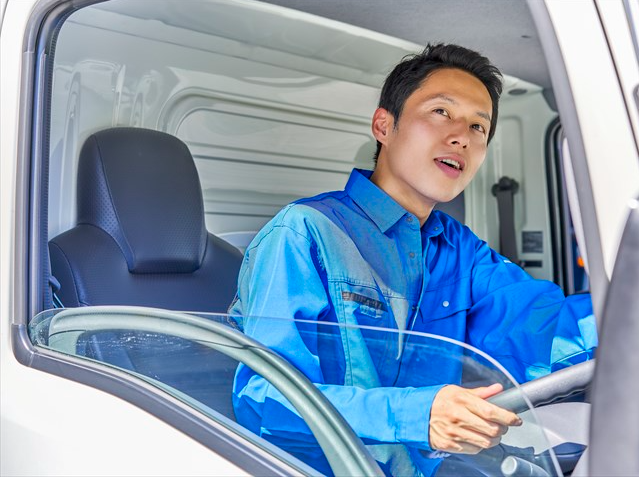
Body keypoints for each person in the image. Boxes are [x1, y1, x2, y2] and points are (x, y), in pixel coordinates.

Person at [229, 43, 597, 476]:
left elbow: (548, 326)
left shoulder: (460, 250)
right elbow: (266, 399)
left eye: (480, 126)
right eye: (441, 112)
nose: (463, 134)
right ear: (384, 126)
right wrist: (418, 415)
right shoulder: (303, 232)